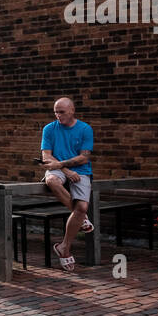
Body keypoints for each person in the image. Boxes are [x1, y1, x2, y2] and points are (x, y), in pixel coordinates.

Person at [40, 97, 95, 272]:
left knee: (82, 208)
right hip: (57, 169)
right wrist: (65, 170)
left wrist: (63, 165)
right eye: (56, 112)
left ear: (72, 110)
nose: (58, 115)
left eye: (61, 112)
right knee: (51, 180)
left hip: (81, 170)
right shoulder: (49, 128)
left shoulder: (85, 129)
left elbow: (84, 157)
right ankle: (82, 219)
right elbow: (46, 156)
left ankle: (64, 247)